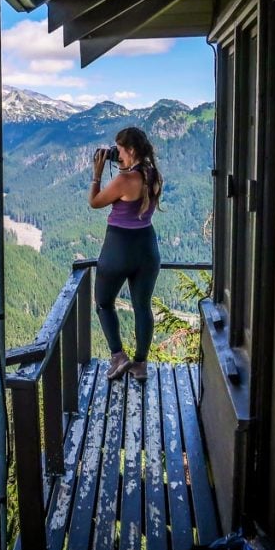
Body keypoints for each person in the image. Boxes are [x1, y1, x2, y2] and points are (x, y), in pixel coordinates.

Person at [88, 127, 163, 381]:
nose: (115, 154)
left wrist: (97, 175)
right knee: (143, 307)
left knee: (103, 302)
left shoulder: (124, 180)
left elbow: (95, 202)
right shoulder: (154, 175)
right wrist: (123, 166)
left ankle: (118, 356)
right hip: (147, 247)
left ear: (130, 150)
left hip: (118, 247)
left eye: (118, 150)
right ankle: (140, 364)